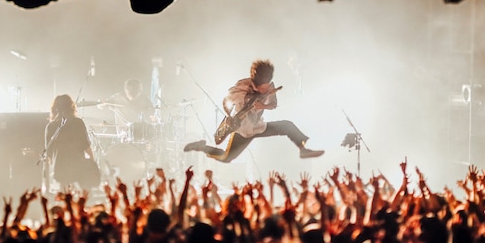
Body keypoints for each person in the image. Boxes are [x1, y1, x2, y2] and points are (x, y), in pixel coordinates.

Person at [183, 59, 324, 162]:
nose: (265, 89)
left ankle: (303, 149)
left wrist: (264, 106)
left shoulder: (270, 87)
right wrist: (228, 115)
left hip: (258, 126)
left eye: (267, 86)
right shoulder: (242, 87)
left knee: (287, 126)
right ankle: (201, 147)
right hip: (241, 129)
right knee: (226, 157)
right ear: (255, 83)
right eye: (262, 87)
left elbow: (274, 105)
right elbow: (226, 101)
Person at [44, 94, 100, 192]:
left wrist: (48, 184)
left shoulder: (50, 127)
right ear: (71, 107)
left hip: (60, 169)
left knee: (65, 195)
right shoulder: (78, 123)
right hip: (78, 167)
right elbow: (87, 147)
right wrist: (93, 164)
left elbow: (48, 155)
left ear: (55, 109)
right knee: (83, 193)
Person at [99, 78, 158, 143]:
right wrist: (101, 103)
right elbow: (102, 106)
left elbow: (152, 114)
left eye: (136, 91)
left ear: (140, 91)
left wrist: (154, 119)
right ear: (126, 89)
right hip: (123, 137)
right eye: (131, 91)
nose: (133, 94)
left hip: (140, 137)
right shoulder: (117, 98)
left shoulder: (145, 100)